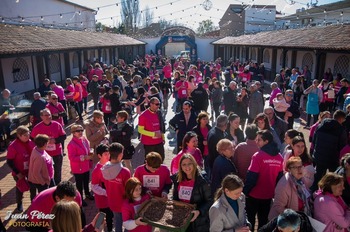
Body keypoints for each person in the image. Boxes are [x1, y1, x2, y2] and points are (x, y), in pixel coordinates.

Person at [244, 130, 284, 229]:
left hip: (254, 195)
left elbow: (251, 177)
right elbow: (279, 178)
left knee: (250, 220)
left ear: (266, 142)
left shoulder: (258, 156)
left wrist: (245, 192)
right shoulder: (279, 157)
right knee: (263, 222)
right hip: (268, 196)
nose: (256, 141)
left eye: (259, 140)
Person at [172, 154, 212, 232]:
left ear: (194, 164)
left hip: (198, 222)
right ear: (180, 166)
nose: (187, 167)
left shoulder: (202, 180)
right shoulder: (177, 179)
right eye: (184, 164)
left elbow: (210, 200)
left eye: (189, 164)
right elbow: (175, 198)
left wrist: (199, 211)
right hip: (182, 219)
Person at [312, 110, 347, 191]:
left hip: (319, 156)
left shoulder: (321, 126)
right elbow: (342, 147)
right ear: (341, 119)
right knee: (332, 179)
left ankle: (313, 194)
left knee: (318, 177)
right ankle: (327, 194)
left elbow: (314, 140)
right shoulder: (341, 130)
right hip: (332, 159)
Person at [31, 109, 66, 185]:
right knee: (47, 172)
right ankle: (50, 187)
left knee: (58, 170)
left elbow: (64, 136)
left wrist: (55, 140)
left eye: (49, 114)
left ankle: (58, 187)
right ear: (41, 117)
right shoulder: (37, 127)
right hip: (44, 154)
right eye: (46, 115)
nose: (48, 117)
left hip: (57, 152)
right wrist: (42, 143)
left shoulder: (56, 124)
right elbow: (32, 139)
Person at [101, 143, 131, 232]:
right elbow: (129, 188)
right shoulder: (125, 171)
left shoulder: (104, 168)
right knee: (127, 222)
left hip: (112, 201)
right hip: (124, 202)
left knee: (117, 221)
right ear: (121, 155)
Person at [6, 126, 35, 211]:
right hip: (19, 171)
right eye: (25, 135)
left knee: (33, 187)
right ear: (19, 135)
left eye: (28, 134)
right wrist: (18, 173)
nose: (28, 136)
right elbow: (9, 161)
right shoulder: (13, 146)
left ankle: (33, 202)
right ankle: (19, 203)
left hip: (30, 170)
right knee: (20, 188)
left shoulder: (31, 142)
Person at [68, 124, 94, 207]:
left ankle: (87, 194)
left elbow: (88, 148)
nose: (80, 132)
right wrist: (83, 157)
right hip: (78, 168)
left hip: (86, 165)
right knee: (79, 185)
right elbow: (72, 158)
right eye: (77, 131)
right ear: (73, 133)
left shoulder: (84, 139)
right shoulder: (71, 144)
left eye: (81, 130)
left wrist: (90, 153)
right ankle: (80, 199)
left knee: (86, 181)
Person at [91, 144, 113, 232]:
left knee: (110, 217)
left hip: (110, 199)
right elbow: (94, 186)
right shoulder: (97, 170)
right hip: (103, 200)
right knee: (101, 217)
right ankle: (97, 230)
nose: (108, 156)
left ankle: (110, 229)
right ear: (99, 156)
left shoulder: (109, 164)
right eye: (105, 154)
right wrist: (106, 192)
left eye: (109, 154)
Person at [28, 134, 54, 201]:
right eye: (47, 143)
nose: (48, 144)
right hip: (43, 182)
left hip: (48, 178)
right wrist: (43, 183)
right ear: (44, 144)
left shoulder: (38, 149)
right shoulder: (39, 157)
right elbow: (36, 173)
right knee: (46, 198)